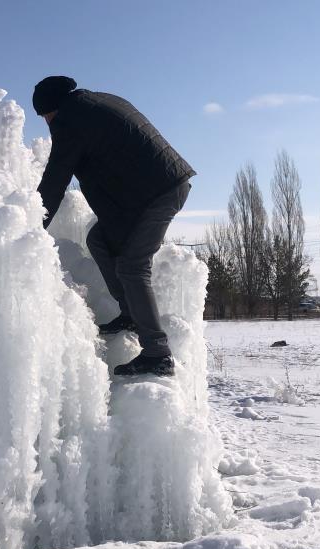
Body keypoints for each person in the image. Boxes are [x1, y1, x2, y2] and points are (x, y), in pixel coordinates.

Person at [33, 76, 194, 377]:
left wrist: (32, 226)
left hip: (156, 192)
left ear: (51, 108)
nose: (46, 123)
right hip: (151, 190)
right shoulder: (94, 103)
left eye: (44, 117)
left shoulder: (72, 119)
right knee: (99, 239)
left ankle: (158, 353)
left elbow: (55, 179)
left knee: (133, 265)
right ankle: (131, 313)